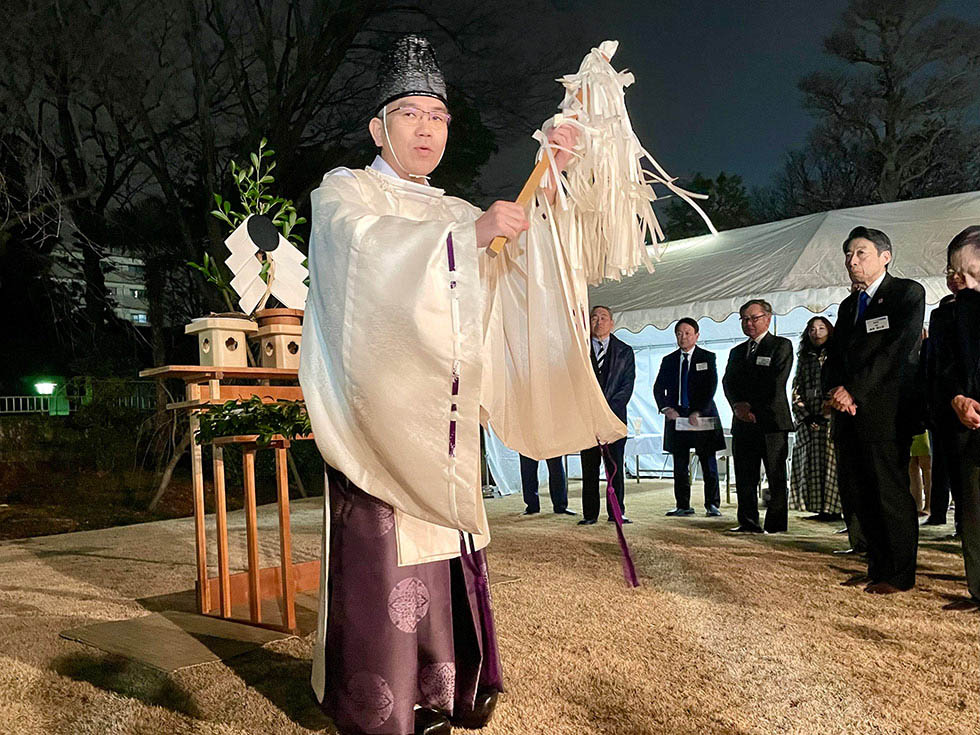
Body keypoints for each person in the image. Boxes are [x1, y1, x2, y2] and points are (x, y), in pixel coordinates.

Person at [298, 35, 623, 735]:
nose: (426, 128)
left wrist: (550, 187)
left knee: (443, 555)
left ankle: (443, 690)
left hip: (443, 427)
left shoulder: (450, 210)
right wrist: (466, 240)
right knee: (385, 561)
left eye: (439, 117)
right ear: (377, 127)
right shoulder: (344, 191)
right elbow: (362, 263)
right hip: (377, 426)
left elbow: (504, 286)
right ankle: (377, 700)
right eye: (410, 113)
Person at [824, 226, 925, 594]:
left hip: (885, 413)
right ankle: (877, 566)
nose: (852, 261)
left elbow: (896, 352)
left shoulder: (906, 293)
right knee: (862, 494)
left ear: (885, 256)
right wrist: (833, 390)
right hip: (847, 413)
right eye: (848, 255)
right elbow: (835, 356)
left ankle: (899, 574)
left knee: (890, 494)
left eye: (861, 253)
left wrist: (855, 390)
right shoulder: (850, 305)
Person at [722, 299, 794, 533]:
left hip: (771, 421)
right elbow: (728, 382)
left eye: (754, 318)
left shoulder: (781, 346)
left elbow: (775, 382)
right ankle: (748, 522)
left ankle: (776, 524)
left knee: (775, 475)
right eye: (744, 319)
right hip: (742, 422)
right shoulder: (736, 351)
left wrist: (753, 409)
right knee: (744, 475)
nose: (749, 323)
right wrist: (737, 407)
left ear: (768, 318)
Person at [939, 225, 980, 609]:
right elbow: (943, 364)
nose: (956, 277)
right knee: (972, 503)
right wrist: (957, 398)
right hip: (965, 419)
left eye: (964, 268)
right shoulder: (951, 313)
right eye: (952, 270)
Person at [653, 317, 726, 517]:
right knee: (680, 464)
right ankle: (683, 505)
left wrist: (698, 410)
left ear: (696, 335)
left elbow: (711, 387)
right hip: (677, 418)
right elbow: (659, 388)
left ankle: (712, 504)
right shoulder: (668, 360)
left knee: (708, 462)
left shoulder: (707, 357)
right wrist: (666, 408)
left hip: (701, 416)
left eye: (687, 333)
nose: (683, 337)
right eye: (679, 333)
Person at [578, 305, 636, 526]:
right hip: (587, 419)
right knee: (589, 468)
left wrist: (607, 412)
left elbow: (626, 386)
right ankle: (590, 514)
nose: (598, 321)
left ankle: (616, 512)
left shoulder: (625, 351)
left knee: (614, 468)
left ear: (612, 323)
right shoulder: (580, 351)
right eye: (594, 317)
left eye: (603, 318)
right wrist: (592, 410)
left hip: (614, 418)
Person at [921, 267, 966, 532]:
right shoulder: (939, 318)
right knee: (944, 466)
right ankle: (950, 518)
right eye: (949, 272)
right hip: (944, 407)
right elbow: (933, 369)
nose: (953, 278)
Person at [789, 316, 841, 521]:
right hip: (809, 420)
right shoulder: (805, 357)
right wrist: (806, 415)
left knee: (832, 464)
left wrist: (828, 410)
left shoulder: (837, 354)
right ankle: (818, 507)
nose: (816, 332)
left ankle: (834, 509)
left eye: (821, 328)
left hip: (831, 416)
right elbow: (797, 388)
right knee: (811, 464)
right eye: (812, 329)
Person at [908, 430, 932, 517]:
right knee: (912, 466)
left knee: (927, 466)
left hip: (924, 428)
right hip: (909, 427)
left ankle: (929, 506)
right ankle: (916, 506)